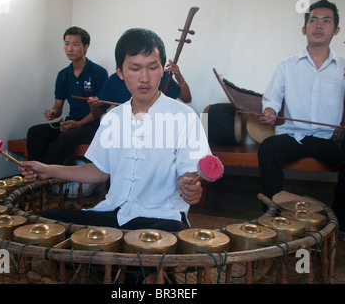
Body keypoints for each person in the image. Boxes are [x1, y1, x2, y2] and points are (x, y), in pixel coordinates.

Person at [19, 28, 210, 232]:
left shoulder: (184, 116)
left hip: (161, 216)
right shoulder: (112, 118)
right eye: (135, 68)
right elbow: (100, 171)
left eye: (153, 68)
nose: (144, 78)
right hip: (114, 213)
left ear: (163, 69)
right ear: (120, 72)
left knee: (166, 237)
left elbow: (188, 173)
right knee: (48, 221)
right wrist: (48, 169)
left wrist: (188, 186)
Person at [258, 0, 345, 242]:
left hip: (329, 139)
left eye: (326, 20)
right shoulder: (287, 65)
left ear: (336, 30)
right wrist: (269, 111)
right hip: (295, 135)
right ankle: (272, 217)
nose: (319, 25)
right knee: (268, 148)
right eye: (313, 20)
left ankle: (343, 224)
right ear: (304, 29)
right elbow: (272, 98)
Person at [26, 26, 108, 165]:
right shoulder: (63, 75)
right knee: (35, 132)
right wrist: (52, 112)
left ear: (86, 46)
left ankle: (42, 178)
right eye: (66, 43)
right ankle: (38, 177)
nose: (70, 48)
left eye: (75, 44)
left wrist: (78, 124)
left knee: (65, 138)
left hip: (91, 126)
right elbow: (58, 108)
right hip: (71, 122)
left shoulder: (99, 73)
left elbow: (99, 111)